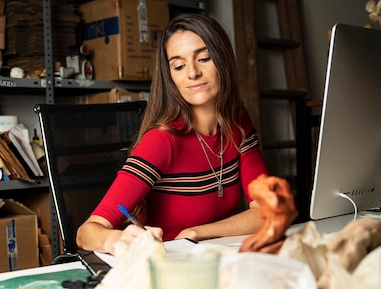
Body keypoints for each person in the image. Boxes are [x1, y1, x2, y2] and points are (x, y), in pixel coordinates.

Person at [76, 13, 269, 255]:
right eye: (179, 65)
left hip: (214, 259)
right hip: (166, 269)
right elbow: (87, 232)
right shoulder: (162, 140)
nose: (193, 73)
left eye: (204, 58)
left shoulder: (238, 124)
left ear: (224, 60)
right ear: (170, 77)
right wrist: (116, 240)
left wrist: (198, 232)